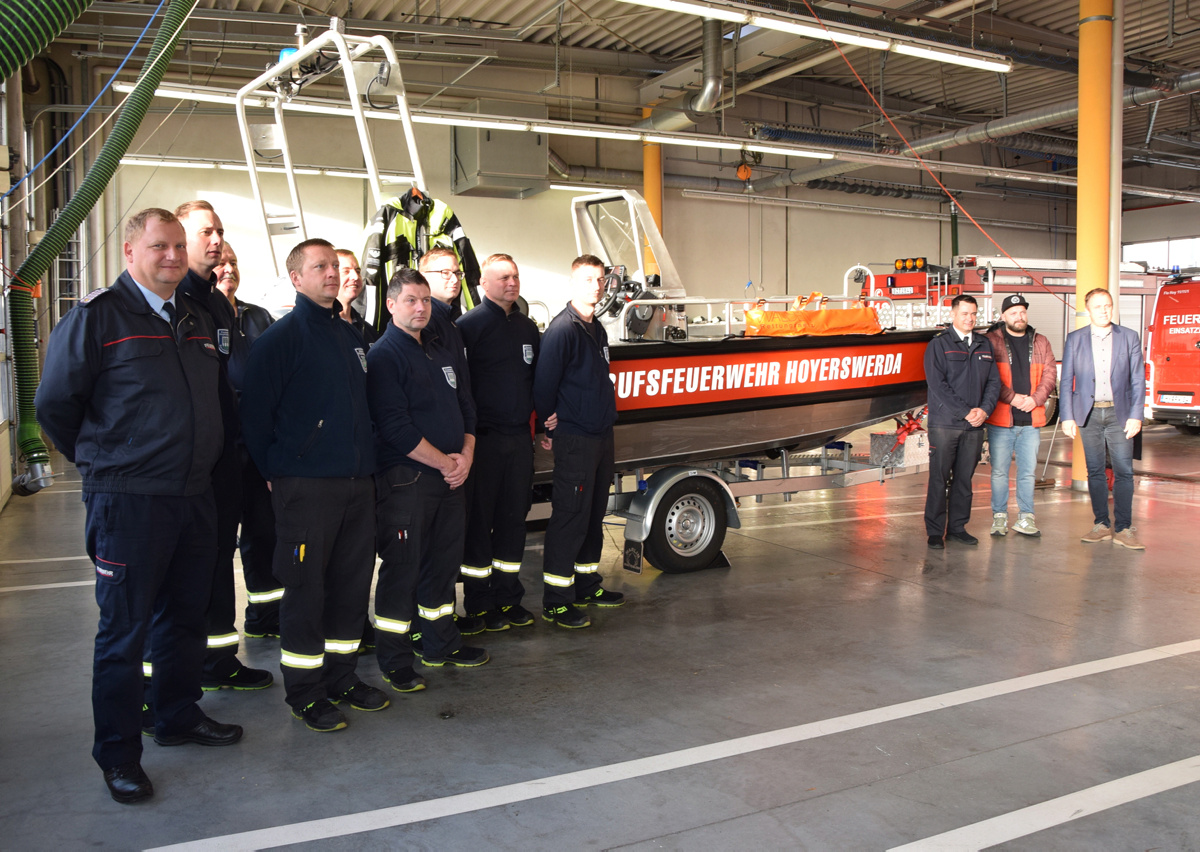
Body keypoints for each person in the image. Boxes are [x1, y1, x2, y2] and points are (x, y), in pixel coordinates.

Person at [36, 208, 243, 805]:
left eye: (179, 246)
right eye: (160, 246)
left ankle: (176, 716)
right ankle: (120, 753)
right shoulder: (98, 318)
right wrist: (105, 463)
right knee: (123, 634)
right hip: (129, 503)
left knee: (184, 619)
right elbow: (55, 406)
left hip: (193, 497)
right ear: (130, 252)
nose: (173, 256)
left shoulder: (196, 315)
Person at [240, 238, 389, 732]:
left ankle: (343, 677)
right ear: (297, 278)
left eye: (334, 265)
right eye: (319, 266)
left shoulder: (347, 336)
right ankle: (305, 692)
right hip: (306, 488)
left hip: (355, 485)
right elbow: (256, 419)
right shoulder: (281, 340)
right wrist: (280, 471)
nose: (331, 273)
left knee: (350, 588)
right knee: (306, 593)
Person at [368, 267, 488, 693]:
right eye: (410, 301)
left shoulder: (438, 350)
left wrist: (467, 456)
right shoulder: (384, 355)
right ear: (391, 305)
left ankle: (439, 643)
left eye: (424, 300)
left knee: (442, 564)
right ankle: (395, 660)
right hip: (409, 480)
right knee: (402, 571)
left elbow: (466, 406)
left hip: (451, 477)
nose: (420, 308)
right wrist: (444, 463)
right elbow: (395, 428)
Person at [174, 201, 274, 692]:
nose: (215, 242)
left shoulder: (215, 304)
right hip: (184, 468)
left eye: (219, 232)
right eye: (204, 233)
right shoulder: (170, 302)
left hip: (229, 459)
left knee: (218, 563)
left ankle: (218, 662)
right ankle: (166, 689)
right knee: (186, 572)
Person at [533, 255, 626, 629]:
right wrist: (549, 426)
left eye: (600, 280)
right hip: (576, 438)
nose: (595, 286)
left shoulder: (596, 329)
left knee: (592, 514)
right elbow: (543, 385)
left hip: (602, 436)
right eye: (587, 279)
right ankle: (556, 600)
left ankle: (586, 583)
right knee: (570, 516)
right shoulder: (563, 330)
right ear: (573, 284)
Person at [457, 254, 541, 632]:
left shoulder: (527, 328)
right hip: (485, 443)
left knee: (513, 522)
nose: (512, 282)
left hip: (519, 441)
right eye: (503, 277)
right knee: (480, 524)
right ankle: (478, 603)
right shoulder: (467, 328)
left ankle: (508, 598)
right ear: (483, 285)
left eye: (516, 276)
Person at [213, 241, 282, 637]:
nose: (228, 270)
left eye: (234, 263)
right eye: (221, 264)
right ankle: (217, 639)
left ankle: (265, 618)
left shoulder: (258, 318)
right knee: (219, 544)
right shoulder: (202, 315)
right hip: (219, 452)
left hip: (257, 449)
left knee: (264, 534)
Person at [417, 247, 483, 636]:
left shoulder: (451, 323)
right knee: (430, 554)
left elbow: (460, 394)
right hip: (432, 464)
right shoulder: (430, 325)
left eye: (457, 273)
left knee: (443, 553)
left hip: (457, 453)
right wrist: (450, 458)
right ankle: (429, 628)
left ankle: (440, 623)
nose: (454, 279)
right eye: (443, 273)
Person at [1060, 288, 1147, 550]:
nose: (1104, 310)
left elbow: (1138, 379)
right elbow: (1066, 381)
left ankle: (1123, 528)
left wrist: (1136, 415)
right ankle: (1101, 525)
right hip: (1088, 414)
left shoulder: (1128, 337)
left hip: (1120, 414)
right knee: (1095, 471)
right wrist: (1067, 416)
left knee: (1124, 471)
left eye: (1108, 305)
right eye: (1098, 306)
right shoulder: (1075, 339)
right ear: (1088, 310)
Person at [923, 294, 1001, 549]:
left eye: (974, 314)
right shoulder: (939, 345)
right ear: (953, 315)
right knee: (939, 477)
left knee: (964, 479)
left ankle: (957, 528)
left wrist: (985, 411)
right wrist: (965, 411)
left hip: (974, 425)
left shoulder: (984, 344)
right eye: (965, 313)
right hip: (945, 424)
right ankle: (935, 532)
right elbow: (937, 385)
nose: (970, 319)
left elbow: (993, 383)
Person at [984, 294, 1057, 537]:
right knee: (999, 472)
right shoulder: (991, 341)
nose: (1019, 316)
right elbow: (989, 376)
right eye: (1013, 312)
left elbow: (1050, 374)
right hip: (1001, 420)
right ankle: (999, 518)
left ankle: (1026, 518)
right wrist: (1013, 398)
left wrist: (1035, 400)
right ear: (1003, 316)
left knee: (1027, 473)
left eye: (1022, 311)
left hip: (1031, 420)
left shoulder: (1041, 341)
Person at [215, 242, 274, 342]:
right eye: (221, 264)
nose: (230, 269)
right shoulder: (201, 317)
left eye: (233, 264)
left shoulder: (260, 315)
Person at [335, 249, 378, 347]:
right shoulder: (324, 329)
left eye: (358, 271)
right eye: (346, 271)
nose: (355, 276)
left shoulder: (368, 330)